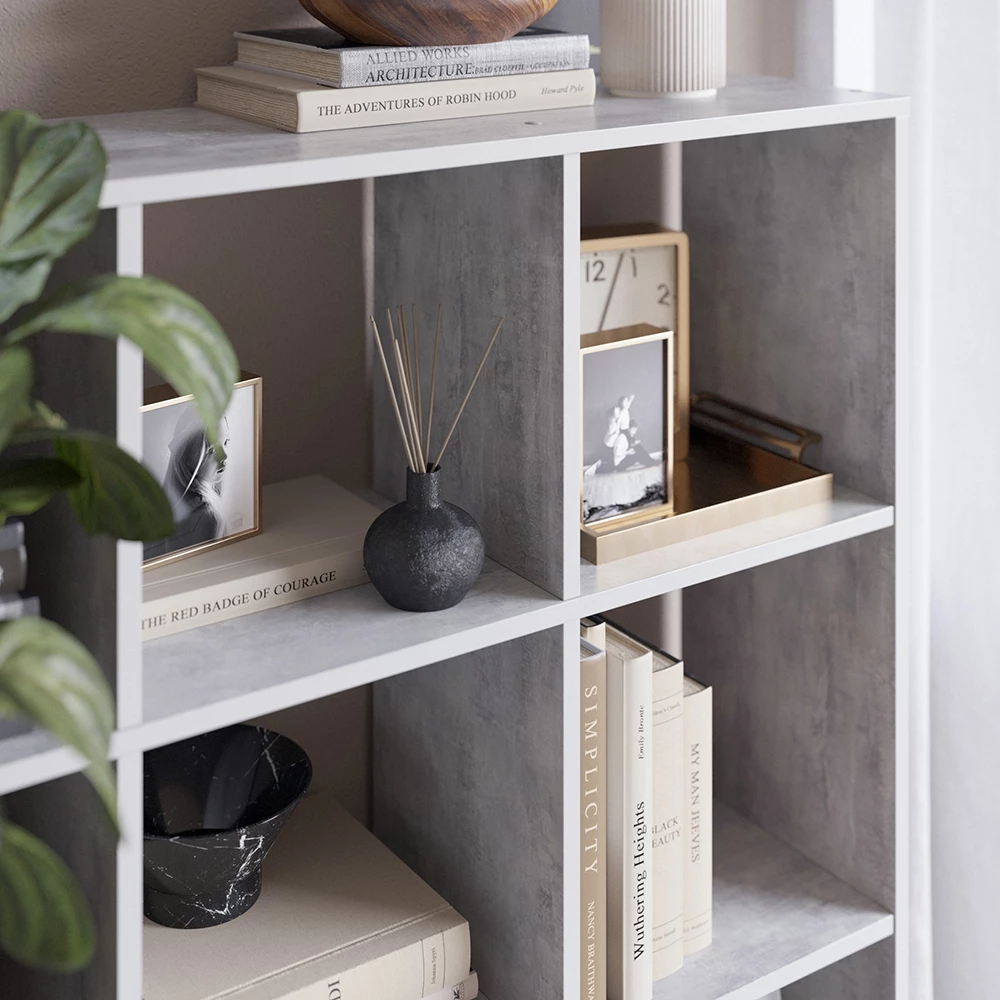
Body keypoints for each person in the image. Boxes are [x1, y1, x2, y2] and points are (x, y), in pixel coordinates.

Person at [144, 408, 229, 560]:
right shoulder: (208, 517)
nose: (225, 455)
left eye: (226, 442)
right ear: (189, 457)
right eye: (212, 449)